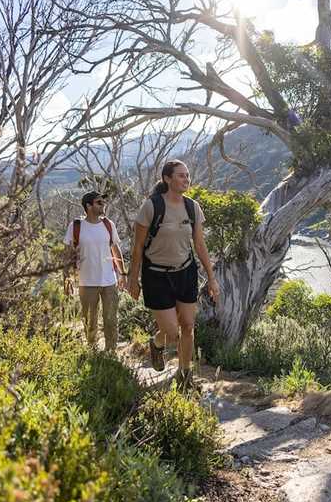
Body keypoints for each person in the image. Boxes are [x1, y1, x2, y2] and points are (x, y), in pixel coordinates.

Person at [128, 160, 220, 390]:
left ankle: (185, 376)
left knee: (188, 325)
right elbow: (138, 246)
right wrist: (133, 278)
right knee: (171, 332)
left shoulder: (193, 207)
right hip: (156, 275)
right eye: (181, 176)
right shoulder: (152, 206)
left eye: (187, 176)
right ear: (167, 179)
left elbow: (200, 244)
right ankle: (157, 343)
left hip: (185, 272)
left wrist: (211, 278)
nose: (186, 180)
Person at [64, 191, 126, 351]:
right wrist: (67, 278)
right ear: (88, 206)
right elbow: (68, 254)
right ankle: (92, 351)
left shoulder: (108, 224)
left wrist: (123, 274)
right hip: (87, 282)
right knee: (90, 322)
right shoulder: (76, 227)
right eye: (99, 202)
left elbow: (115, 249)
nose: (103, 205)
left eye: (103, 202)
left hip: (109, 281)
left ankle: (111, 353)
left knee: (111, 320)